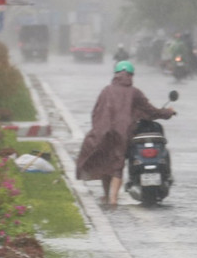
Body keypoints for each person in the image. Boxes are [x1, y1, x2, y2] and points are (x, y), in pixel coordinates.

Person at [75, 61, 176, 207]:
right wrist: (168, 112)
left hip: (103, 132)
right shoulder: (135, 92)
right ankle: (113, 200)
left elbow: (96, 112)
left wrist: (99, 129)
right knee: (117, 165)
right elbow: (151, 111)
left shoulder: (106, 91)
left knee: (105, 163)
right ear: (131, 76)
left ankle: (106, 195)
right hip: (123, 134)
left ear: (115, 75)